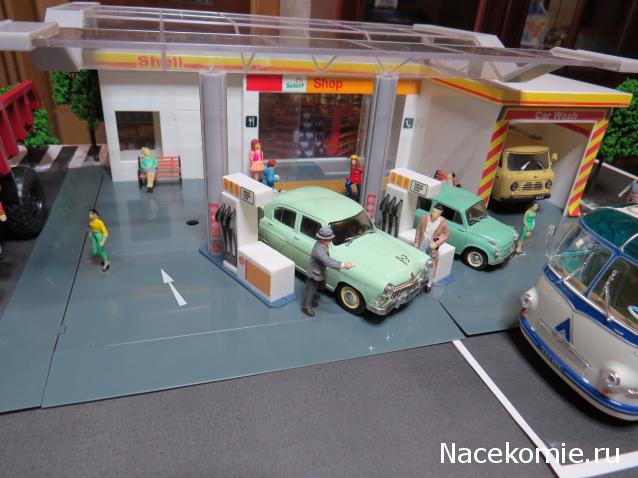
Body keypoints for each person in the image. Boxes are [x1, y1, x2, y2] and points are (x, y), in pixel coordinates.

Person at [302, 226, 353, 317]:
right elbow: (328, 261)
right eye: (328, 239)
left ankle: (310, 299)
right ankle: (307, 307)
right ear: (322, 239)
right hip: (314, 274)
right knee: (311, 290)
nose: (330, 241)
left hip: (318, 272)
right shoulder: (319, 250)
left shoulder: (322, 245)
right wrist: (343, 265)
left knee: (315, 288)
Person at [414, 204, 449, 291]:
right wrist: (416, 242)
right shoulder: (424, 218)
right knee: (420, 261)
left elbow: (445, 234)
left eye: (437, 213)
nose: (435, 214)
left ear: (440, 214)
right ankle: (418, 280)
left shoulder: (443, 223)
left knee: (431, 264)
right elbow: (418, 230)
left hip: (433, 245)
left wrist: (437, 243)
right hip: (423, 242)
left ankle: (429, 283)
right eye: (434, 211)